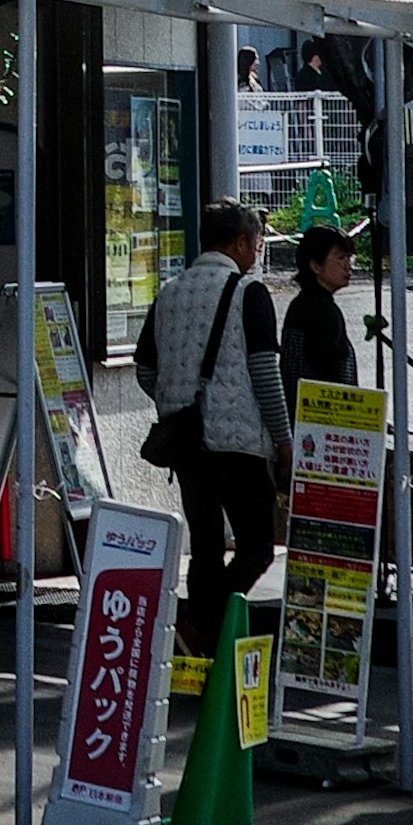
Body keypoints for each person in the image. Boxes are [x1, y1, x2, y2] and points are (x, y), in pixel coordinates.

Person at [140, 199, 291, 644]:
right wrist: (282, 438)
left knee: (205, 547)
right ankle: (201, 624)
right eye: (257, 243)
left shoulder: (168, 292)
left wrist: (177, 399)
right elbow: (265, 372)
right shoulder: (249, 292)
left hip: (185, 443)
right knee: (257, 546)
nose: (257, 252)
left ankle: (195, 641)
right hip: (238, 444)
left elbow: (146, 370)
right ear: (242, 243)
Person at [279, 216, 371, 401]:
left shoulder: (303, 303)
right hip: (322, 415)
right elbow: (331, 373)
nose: (348, 265)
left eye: (349, 258)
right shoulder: (322, 311)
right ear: (315, 266)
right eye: (340, 258)